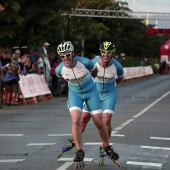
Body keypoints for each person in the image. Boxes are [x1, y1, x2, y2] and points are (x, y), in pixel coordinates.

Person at [56, 41, 120, 163]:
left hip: (91, 92)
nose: (65, 58)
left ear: (73, 53)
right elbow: (62, 77)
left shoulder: (85, 62)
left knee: (99, 122)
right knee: (76, 120)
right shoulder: (60, 69)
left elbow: (94, 73)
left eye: (68, 55)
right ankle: (79, 150)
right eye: (62, 56)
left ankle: (107, 147)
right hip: (75, 94)